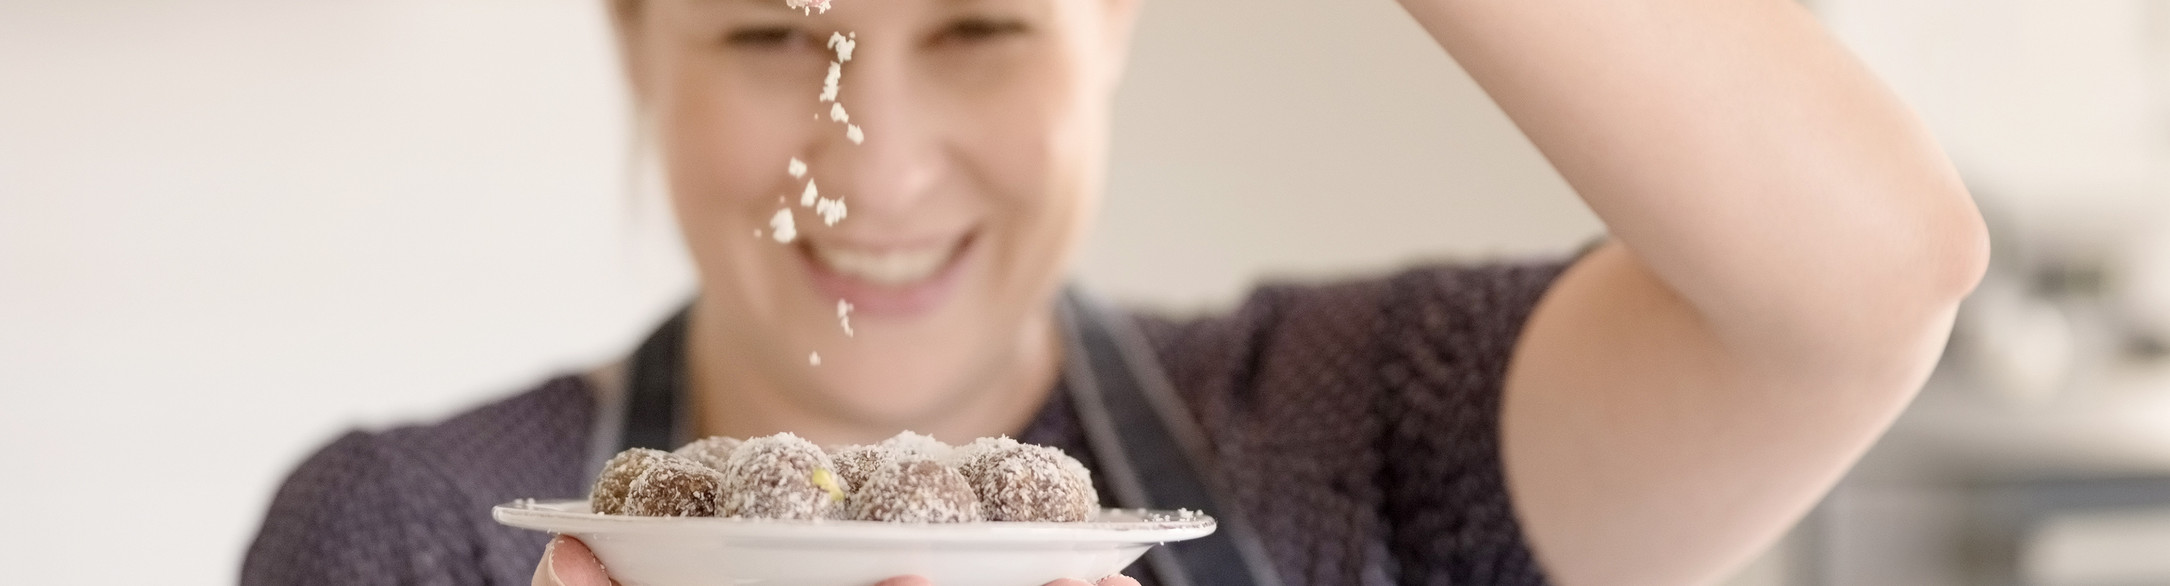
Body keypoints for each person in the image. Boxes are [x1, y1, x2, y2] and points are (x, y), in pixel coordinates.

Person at [240, 0, 1989, 583]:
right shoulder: (400, 532)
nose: (880, 168)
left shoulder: (1353, 433)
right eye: (775, 34)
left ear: (1114, 31)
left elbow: (1862, 282)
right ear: (637, 49)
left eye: (984, 23)